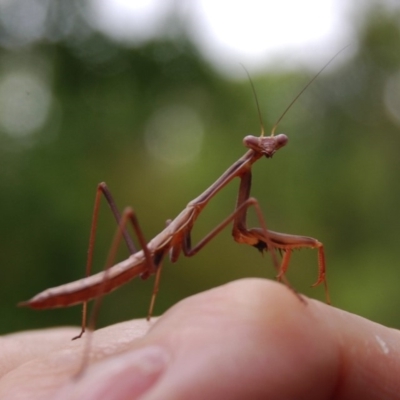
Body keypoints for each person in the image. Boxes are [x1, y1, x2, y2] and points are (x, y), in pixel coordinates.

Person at [1, 278, 400, 399]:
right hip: (121, 270)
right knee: (121, 209)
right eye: (260, 146)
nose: (266, 149)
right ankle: (86, 339)